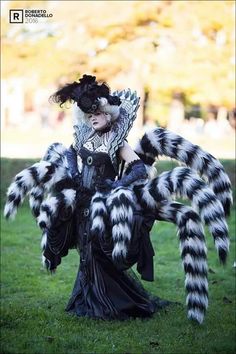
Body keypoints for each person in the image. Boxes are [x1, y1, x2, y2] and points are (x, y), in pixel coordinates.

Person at [4, 74, 232, 324]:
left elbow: (138, 169)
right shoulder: (84, 137)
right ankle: (87, 297)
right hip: (83, 196)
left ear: (108, 113)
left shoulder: (117, 143)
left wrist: (118, 184)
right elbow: (70, 153)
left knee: (99, 247)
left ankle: (111, 300)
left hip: (109, 199)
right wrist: (75, 172)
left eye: (97, 113)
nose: (93, 117)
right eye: (88, 114)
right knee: (86, 248)